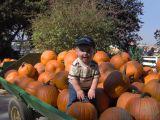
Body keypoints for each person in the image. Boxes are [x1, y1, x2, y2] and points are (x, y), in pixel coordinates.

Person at [67, 36, 100, 108]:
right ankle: (69, 112)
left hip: (88, 86)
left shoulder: (95, 65)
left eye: (88, 51)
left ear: (94, 51)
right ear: (76, 51)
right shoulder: (75, 64)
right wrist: (78, 90)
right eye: (82, 50)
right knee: (73, 99)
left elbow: (96, 78)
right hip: (75, 85)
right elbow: (74, 79)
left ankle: (95, 112)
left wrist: (92, 89)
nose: (85, 53)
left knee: (93, 100)